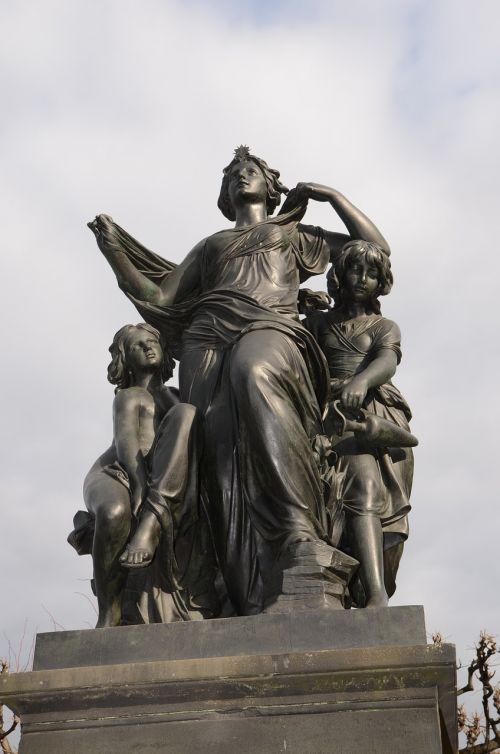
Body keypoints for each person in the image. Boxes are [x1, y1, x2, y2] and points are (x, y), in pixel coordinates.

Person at [87, 147, 389, 615]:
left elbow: (375, 248)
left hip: (272, 328)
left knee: (254, 371)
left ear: (272, 188)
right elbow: (159, 295)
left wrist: (332, 196)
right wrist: (114, 254)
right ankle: (241, 590)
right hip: (205, 339)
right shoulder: (211, 247)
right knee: (218, 454)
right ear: (225, 195)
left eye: (251, 171)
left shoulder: (293, 235)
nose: (240, 177)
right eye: (232, 175)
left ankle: (298, 536)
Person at [69, 323, 212, 627]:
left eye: (152, 341)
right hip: (118, 473)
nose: (148, 347)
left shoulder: (176, 399)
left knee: (188, 412)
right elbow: (127, 448)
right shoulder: (129, 396)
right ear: (125, 358)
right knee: (115, 512)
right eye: (138, 345)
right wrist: (139, 493)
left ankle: (151, 524)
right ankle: (109, 612)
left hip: (159, 476)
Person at [305, 241, 416, 607]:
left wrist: (362, 381)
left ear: (381, 282)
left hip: (365, 418)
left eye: (372, 273)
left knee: (366, 486)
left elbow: (386, 361)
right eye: (355, 270)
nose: (363, 279)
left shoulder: (384, 326)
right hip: (322, 415)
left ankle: (375, 593)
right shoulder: (318, 324)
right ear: (339, 274)